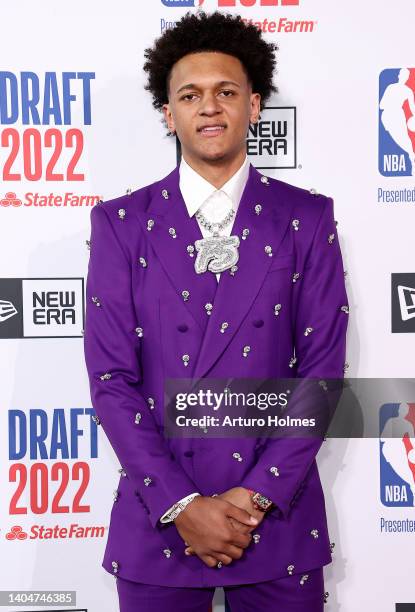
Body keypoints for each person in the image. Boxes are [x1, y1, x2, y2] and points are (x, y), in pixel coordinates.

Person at [83, 10, 349, 612]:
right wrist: (184, 507)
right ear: (167, 113)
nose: (209, 107)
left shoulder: (306, 219)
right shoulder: (121, 226)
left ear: (254, 106)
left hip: (276, 518)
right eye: (190, 95)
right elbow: (112, 380)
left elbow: (322, 375)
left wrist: (252, 498)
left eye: (226, 92)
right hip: (160, 514)